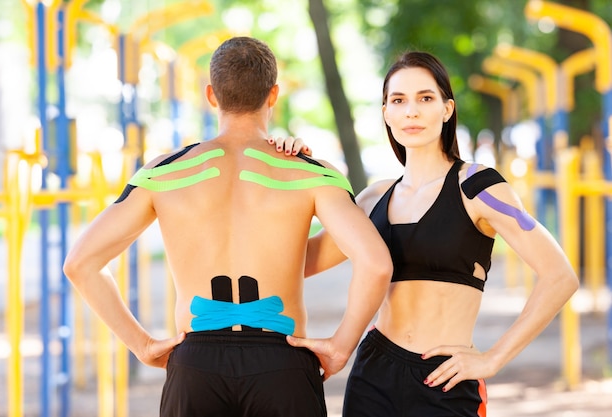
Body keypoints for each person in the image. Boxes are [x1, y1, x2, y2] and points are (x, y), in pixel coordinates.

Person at [63, 36, 392, 417]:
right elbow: (376, 264)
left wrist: (141, 344)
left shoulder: (163, 173)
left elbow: (80, 263)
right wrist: (339, 347)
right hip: (282, 363)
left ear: (211, 95)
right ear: (273, 96)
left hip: (195, 364)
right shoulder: (309, 173)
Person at [275, 51, 579, 416]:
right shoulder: (373, 199)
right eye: (398, 101)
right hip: (373, 374)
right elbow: (298, 261)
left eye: (425, 98)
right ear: (386, 113)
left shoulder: (479, 188)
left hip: (446, 380)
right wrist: (297, 170)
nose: (411, 112)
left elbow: (560, 276)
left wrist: (493, 359)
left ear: (447, 109)